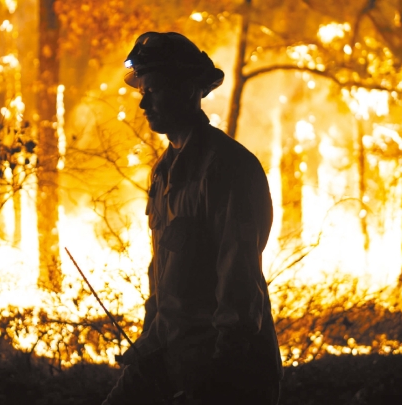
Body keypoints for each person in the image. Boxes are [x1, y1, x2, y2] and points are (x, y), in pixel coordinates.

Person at [103, 32, 282, 405]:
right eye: (142, 90)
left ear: (186, 89)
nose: (143, 103)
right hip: (170, 359)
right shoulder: (163, 173)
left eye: (153, 90)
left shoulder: (228, 169)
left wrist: (216, 381)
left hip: (226, 375)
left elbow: (238, 287)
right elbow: (164, 281)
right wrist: (147, 347)